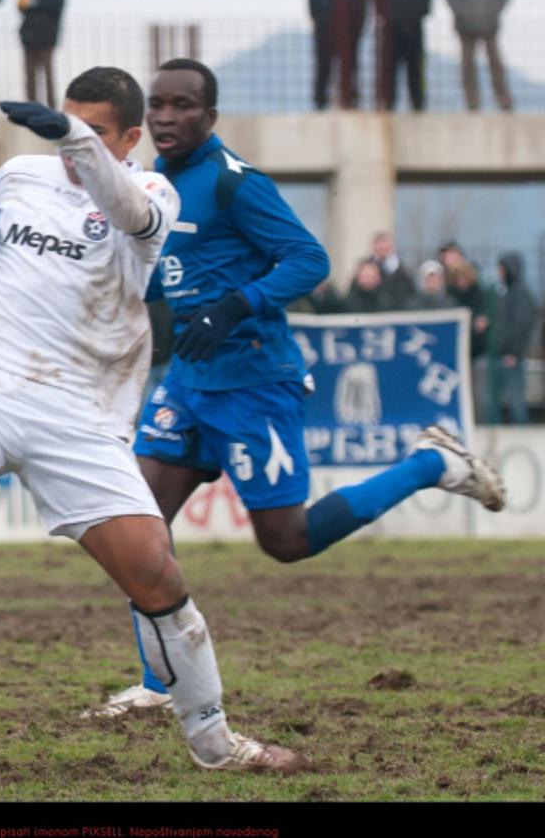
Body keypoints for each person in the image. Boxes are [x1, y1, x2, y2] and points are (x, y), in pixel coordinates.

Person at [0, 67, 308, 771]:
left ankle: (214, 742)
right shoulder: (20, 174)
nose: (71, 147)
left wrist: (74, 140)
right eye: (65, 125)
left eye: (94, 133)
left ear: (130, 139)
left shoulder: (152, 195)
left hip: (79, 414)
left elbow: (126, 206)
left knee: (158, 578)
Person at [95, 59, 505, 719]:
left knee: (286, 541)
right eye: (159, 106)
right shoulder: (150, 183)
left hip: (256, 381)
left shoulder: (235, 185)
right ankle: (160, 681)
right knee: (139, 529)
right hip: (189, 384)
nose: (167, 119)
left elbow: (309, 260)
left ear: (210, 117)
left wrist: (234, 306)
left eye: (183, 106)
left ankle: (434, 463)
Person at [487, 251, 538, 424]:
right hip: (500, 355)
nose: (498, 273)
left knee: (516, 401)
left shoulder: (521, 294)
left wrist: (514, 353)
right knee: (492, 401)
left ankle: (522, 436)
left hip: (512, 357)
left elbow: (522, 327)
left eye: (501, 269)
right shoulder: (505, 293)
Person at [444, 0, 513, 112]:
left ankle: (504, 101)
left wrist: (493, 10)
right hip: (465, 24)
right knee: (467, 64)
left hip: (489, 22)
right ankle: (472, 103)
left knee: (495, 63)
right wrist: (462, 11)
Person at [310, 0, 367, 110]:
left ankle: (351, 99)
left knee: (350, 67)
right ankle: (320, 102)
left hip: (349, 33)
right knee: (324, 67)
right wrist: (322, 19)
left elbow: (362, 4)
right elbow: (313, 1)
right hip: (326, 31)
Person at [376, 0, 431, 112]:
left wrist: (416, 15)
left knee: (415, 70)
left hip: (414, 27)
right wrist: (390, 16)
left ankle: (418, 105)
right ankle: (388, 103)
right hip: (392, 29)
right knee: (389, 70)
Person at [18, 0, 65, 107]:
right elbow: (22, 8)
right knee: (30, 76)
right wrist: (23, 4)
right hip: (29, 39)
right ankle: (31, 104)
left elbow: (55, 8)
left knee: (48, 75)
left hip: (46, 40)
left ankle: (51, 106)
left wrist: (35, 3)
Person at [368, 230, 414, 305]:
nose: (381, 247)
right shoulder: (365, 269)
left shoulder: (402, 271)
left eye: (384, 243)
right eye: (379, 243)